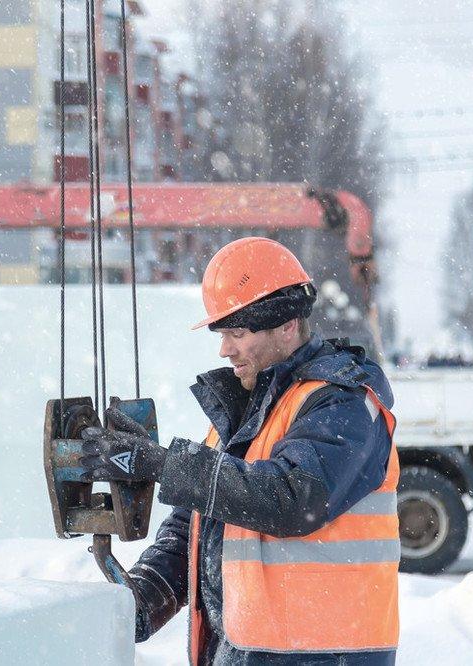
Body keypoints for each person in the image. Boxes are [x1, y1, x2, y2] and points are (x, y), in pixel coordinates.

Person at [80, 237, 400, 665]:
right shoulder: (249, 410)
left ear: (287, 325)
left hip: (322, 656)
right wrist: (145, 594)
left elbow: (293, 500)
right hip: (250, 651)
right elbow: (201, 523)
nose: (224, 349)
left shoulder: (342, 402)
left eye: (237, 332)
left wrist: (162, 463)